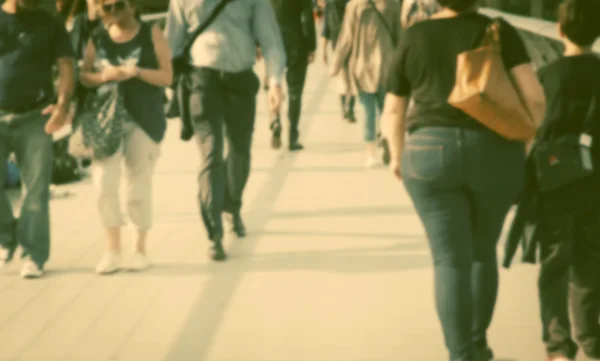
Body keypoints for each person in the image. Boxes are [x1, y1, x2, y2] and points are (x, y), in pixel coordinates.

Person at [382, 0, 546, 359]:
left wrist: (396, 155)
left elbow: (393, 108)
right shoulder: (500, 31)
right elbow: (534, 99)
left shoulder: (415, 35)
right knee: (482, 251)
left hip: (428, 152)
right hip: (495, 151)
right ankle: (477, 343)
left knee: (449, 260)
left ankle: (460, 354)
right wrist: (525, 146)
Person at [165, 0, 286, 261]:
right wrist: (169, 85)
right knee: (211, 153)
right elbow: (171, 42)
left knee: (240, 150)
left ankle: (232, 204)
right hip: (202, 81)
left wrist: (275, 81)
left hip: (241, 79)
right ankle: (215, 232)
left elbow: (271, 39)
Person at [520, 1, 600, 360]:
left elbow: (533, 130)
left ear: (559, 29)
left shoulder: (547, 76)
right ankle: (592, 340)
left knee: (553, 264)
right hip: (595, 183)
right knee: (589, 263)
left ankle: (558, 346)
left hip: (555, 182)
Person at [79, 0, 172, 274]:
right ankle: (112, 248)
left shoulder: (151, 33)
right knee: (103, 182)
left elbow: (167, 76)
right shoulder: (97, 37)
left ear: (133, 5)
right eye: (105, 7)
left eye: (118, 5)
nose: (112, 12)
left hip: (143, 118)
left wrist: (137, 72)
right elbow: (85, 75)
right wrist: (102, 77)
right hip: (106, 120)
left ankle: (139, 250)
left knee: (138, 184)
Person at [0, 0, 75, 278]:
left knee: (36, 190)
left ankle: (33, 254)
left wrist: (62, 104)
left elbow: (67, 65)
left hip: (35, 116)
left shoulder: (49, 23)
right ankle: (7, 239)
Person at [330, 0, 401, 168]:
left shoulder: (355, 5)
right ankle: (386, 138)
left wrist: (335, 65)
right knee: (387, 108)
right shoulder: (393, 4)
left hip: (363, 65)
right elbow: (400, 36)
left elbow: (346, 38)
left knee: (368, 110)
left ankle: (370, 153)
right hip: (387, 64)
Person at [265, 0, 316, 151]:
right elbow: (307, 17)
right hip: (296, 41)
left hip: (274, 41)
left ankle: (275, 119)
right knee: (295, 91)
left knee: (274, 84)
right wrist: (311, 45)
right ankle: (293, 136)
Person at [322, 0, 356, 123]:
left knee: (343, 78)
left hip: (337, 44)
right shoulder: (353, 3)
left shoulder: (330, 4)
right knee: (351, 77)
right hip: (352, 43)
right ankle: (349, 108)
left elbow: (326, 29)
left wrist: (323, 50)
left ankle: (345, 107)